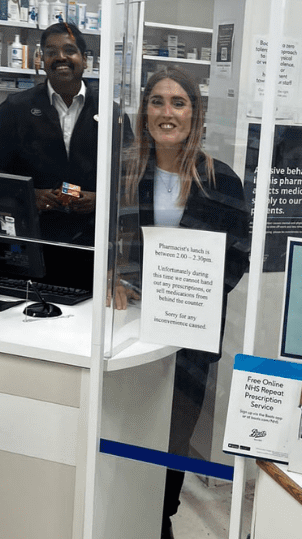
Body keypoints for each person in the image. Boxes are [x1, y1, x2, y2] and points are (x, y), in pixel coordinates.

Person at [110, 67, 250, 539]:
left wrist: (192, 295)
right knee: (130, 424)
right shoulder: (125, 172)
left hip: (191, 332)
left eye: (178, 103)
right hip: (130, 327)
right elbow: (108, 240)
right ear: (143, 111)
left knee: (174, 434)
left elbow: (239, 255)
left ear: (196, 115)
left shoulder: (221, 181)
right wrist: (112, 275)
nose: (166, 112)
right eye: (156, 101)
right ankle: (123, 512)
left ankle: (161, 519)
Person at [0, 21, 130, 288]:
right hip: (30, 245)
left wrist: (101, 200)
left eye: (69, 50)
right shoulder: (15, 109)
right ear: (42, 60)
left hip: (90, 248)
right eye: (51, 51)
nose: (60, 57)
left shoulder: (112, 113)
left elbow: (130, 180)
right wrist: (29, 196)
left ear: (84, 60)